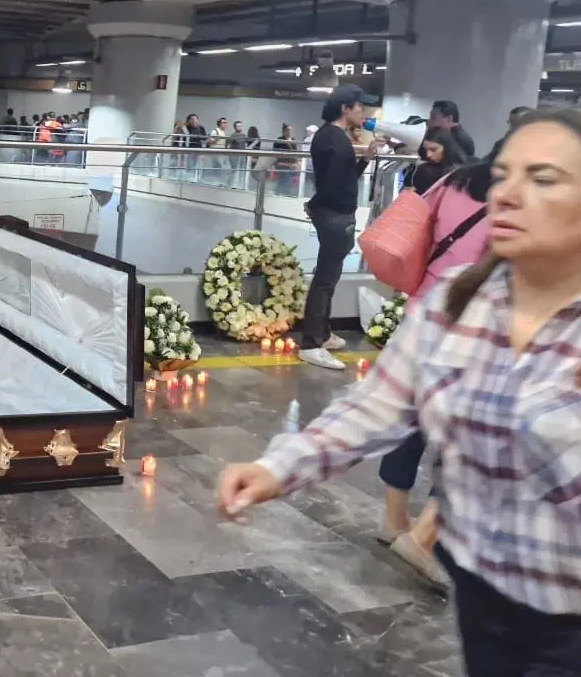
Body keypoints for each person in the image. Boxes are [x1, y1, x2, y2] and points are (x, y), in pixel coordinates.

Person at [217, 110, 581, 677]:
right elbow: (378, 406)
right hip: (484, 601)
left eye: (543, 179)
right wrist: (279, 467)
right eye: (504, 174)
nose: (507, 194)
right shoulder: (457, 303)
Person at [376, 139, 497, 585]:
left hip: (422, 312)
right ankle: (423, 537)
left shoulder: (454, 179)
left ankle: (394, 521)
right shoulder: (520, 205)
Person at [299, 84, 378, 370]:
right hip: (333, 214)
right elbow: (332, 184)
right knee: (325, 279)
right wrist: (315, 203)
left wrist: (366, 158)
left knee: (329, 278)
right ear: (345, 109)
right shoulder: (332, 139)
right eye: (360, 107)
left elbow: (345, 178)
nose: (364, 113)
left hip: (335, 213)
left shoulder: (335, 137)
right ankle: (311, 343)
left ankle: (322, 332)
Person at [409, 126, 468, 195]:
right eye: (426, 150)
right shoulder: (425, 168)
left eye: (433, 150)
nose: (428, 155)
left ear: (446, 148)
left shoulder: (459, 171)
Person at [273, 123, 300, 196]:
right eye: (288, 130)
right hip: (282, 163)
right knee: (285, 174)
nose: (290, 132)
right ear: (284, 131)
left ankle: (283, 190)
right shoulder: (279, 140)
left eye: (291, 130)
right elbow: (276, 153)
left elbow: (295, 152)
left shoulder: (293, 140)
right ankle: (281, 191)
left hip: (291, 163)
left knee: (289, 175)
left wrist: (296, 162)